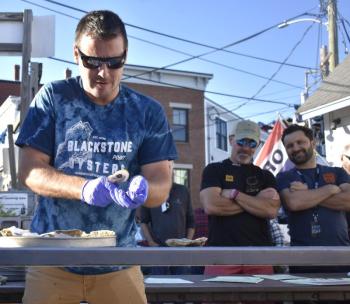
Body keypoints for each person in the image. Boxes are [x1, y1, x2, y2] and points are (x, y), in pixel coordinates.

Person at [15, 10, 177, 304]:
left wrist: (140, 191)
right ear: (76, 54)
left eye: (114, 62)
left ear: (125, 55)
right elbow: (28, 171)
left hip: (119, 261)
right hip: (52, 261)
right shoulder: (54, 97)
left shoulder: (147, 111)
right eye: (93, 62)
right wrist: (85, 189)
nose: (103, 73)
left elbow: (161, 185)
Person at [200, 120, 280, 275]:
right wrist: (256, 200)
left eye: (252, 143)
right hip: (221, 254)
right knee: (216, 298)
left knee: (263, 299)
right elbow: (212, 206)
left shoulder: (265, 175)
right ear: (231, 140)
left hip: (259, 255)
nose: (246, 148)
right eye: (241, 141)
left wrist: (234, 194)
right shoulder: (214, 170)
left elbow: (270, 210)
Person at [276, 124, 350, 276]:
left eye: (300, 142)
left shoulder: (337, 172)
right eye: (290, 146)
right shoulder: (284, 176)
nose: (295, 148)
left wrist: (308, 194)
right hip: (303, 259)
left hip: (341, 257)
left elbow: (347, 201)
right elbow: (294, 203)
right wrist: (329, 190)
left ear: (313, 143)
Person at [140, 182, 195, 275]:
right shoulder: (149, 192)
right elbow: (143, 221)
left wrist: (187, 243)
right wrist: (151, 243)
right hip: (158, 250)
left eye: (169, 167)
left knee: (182, 284)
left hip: (180, 249)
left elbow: (191, 222)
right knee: (158, 285)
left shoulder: (183, 190)